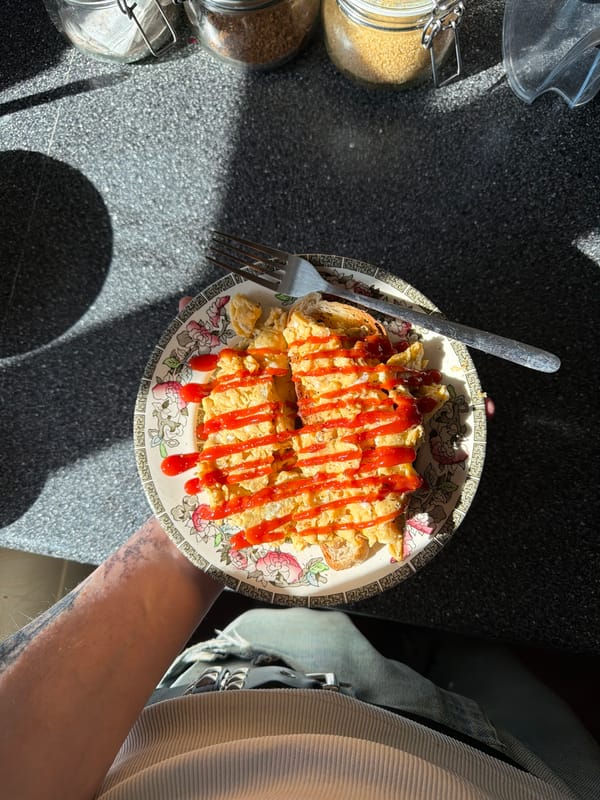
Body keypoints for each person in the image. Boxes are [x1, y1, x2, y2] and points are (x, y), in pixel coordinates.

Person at [1, 301, 597, 800]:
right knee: (491, 673)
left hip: (235, 683)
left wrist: (197, 533)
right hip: (497, 761)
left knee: (332, 635)